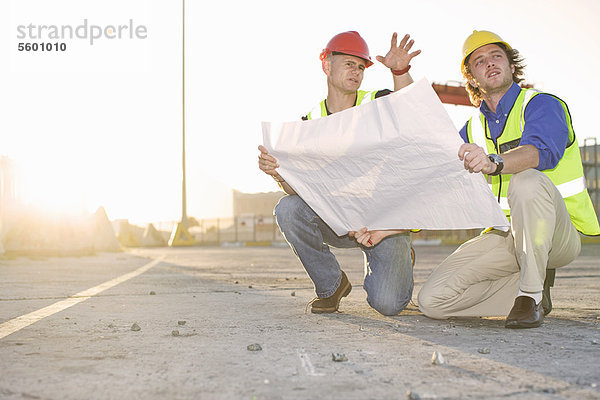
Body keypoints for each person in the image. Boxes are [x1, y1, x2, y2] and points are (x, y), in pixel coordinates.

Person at [417, 30, 600, 328]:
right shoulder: (471, 129)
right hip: (505, 235)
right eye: (479, 61)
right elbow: (438, 182)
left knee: (526, 180)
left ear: (512, 65)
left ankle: (529, 295)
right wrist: (391, 228)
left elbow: (540, 152)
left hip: (556, 234)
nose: (489, 63)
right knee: (433, 301)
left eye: (496, 56)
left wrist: (494, 162)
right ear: (472, 77)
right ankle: (533, 285)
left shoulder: (541, 105)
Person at [258, 31, 420, 315]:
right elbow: (301, 189)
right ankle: (331, 285)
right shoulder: (309, 123)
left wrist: (400, 71)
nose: (356, 72)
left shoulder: (377, 102)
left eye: (360, 67)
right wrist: (279, 174)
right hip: (339, 219)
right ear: (327, 65)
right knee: (288, 209)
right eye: (348, 64)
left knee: (388, 304)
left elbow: (414, 113)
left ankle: (399, 254)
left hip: (382, 222)